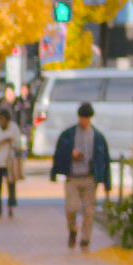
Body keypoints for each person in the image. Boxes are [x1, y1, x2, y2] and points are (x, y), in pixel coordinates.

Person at [50, 99, 111, 250]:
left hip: (90, 177)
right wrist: (69, 155)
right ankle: (72, 230)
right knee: (71, 208)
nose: (84, 120)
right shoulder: (68, 135)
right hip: (72, 177)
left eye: (87, 118)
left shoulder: (98, 137)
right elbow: (58, 154)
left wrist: (106, 182)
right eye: (82, 117)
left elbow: (105, 160)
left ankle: (85, 238)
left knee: (89, 210)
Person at [0, 102, 23, 217]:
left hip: (9, 161)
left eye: (4, 120)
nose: (2, 122)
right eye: (0, 119)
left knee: (11, 184)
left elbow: (19, 143)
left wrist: (12, 142)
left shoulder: (13, 127)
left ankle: (11, 205)